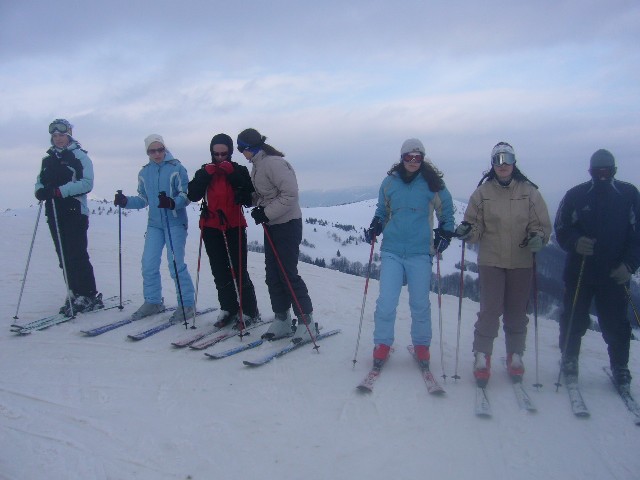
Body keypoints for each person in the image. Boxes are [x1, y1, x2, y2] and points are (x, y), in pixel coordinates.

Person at [456, 142, 551, 386]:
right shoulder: (482, 193)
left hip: (521, 260)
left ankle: (515, 354)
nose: (502, 164)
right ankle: (482, 355)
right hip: (492, 260)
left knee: (516, 311)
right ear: (492, 164)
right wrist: (468, 232)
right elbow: (475, 226)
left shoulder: (529, 192)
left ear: (514, 162)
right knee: (490, 309)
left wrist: (538, 237)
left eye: (507, 158)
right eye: (497, 160)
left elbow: (540, 224)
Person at [364, 138, 455, 368]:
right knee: (386, 301)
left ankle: (422, 346)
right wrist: (376, 225)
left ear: (422, 159)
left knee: (420, 302)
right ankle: (382, 343)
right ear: (402, 157)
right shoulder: (390, 182)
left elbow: (446, 209)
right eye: (409, 157)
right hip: (392, 249)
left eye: (418, 157)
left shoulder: (432, 184)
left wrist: (446, 231)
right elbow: (382, 211)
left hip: (420, 251)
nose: (413, 161)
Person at [554, 149, 640, 387]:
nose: (602, 176)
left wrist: (630, 264)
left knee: (615, 322)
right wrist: (575, 242)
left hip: (615, 272)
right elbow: (561, 227)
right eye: (598, 172)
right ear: (590, 171)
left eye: (607, 171)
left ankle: (620, 365)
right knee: (574, 317)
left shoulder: (629, 195)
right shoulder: (576, 195)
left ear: (614, 171)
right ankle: (569, 357)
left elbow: (638, 235)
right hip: (580, 269)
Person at [236, 128, 316, 343]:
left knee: (287, 274)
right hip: (272, 225)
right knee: (272, 274)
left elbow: (290, 194)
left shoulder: (273, 163)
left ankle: (307, 321)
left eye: (241, 149)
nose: (241, 153)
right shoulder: (258, 165)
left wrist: (266, 213)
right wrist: (249, 199)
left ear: (249, 147)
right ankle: (282, 319)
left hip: (287, 225)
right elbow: (267, 194)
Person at [113, 134, 195, 323]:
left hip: (175, 223)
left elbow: (186, 195)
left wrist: (172, 202)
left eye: (160, 149)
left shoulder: (176, 168)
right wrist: (125, 202)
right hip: (155, 225)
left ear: (165, 149)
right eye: (152, 151)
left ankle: (187, 304)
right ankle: (153, 301)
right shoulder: (145, 172)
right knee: (148, 263)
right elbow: (143, 199)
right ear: (147, 152)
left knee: (175, 264)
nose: (157, 154)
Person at [187, 133, 260, 329]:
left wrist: (233, 175)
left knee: (239, 270)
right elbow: (193, 194)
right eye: (216, 154)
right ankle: (228, 308)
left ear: (230, 152)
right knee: (219, 270)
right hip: (211, 226)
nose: (219, 157)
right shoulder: (205, 170)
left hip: (234, 225)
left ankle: (250, 310)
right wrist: (205, 175)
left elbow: (248, 197)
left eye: (224, 154)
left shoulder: (239, 170)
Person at [35, 118, 103, 316]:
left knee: (77, 253)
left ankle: (88, 294)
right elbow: (40, 181)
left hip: (74, 210)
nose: (58, 139)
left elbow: (87, 183)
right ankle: (73, 292)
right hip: (54, 211)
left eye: (62, 135)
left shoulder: (79, 157)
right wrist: (40, 191)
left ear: (69, 135)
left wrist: (59, 191)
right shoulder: (48, 159)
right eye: (55, 136)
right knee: (63, 256)